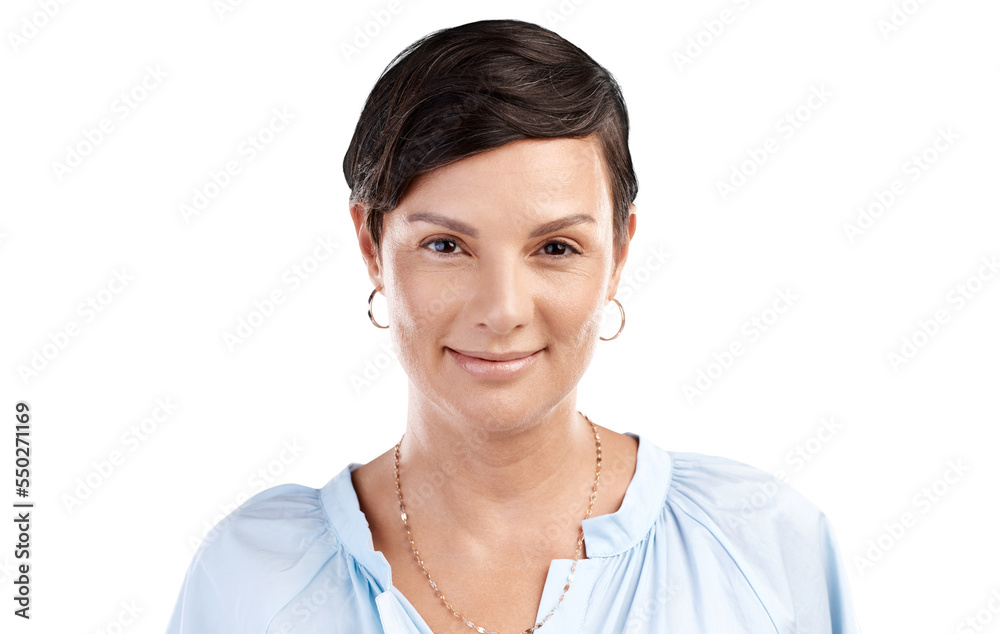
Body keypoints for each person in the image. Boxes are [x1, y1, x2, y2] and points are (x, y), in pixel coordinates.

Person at [166, 18, 862, 634]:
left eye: (555, 248)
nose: (502, 309)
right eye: (446, 246)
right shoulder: (254, 582)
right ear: (371, 246)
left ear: (618, 253)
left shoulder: (762, 550)